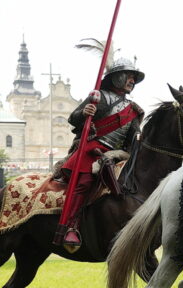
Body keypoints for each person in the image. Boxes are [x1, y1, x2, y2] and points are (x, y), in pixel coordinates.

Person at [53, 57, 145, 248]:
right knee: (85, 183)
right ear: (116, 77)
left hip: (117, 154)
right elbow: (74, 118)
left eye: (133, 78)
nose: (132, 81)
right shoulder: (99, 96)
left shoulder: (134, 110)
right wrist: (84, 113)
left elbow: (132, 138)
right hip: (92, 150)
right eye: (128, 76)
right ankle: (71, 227)